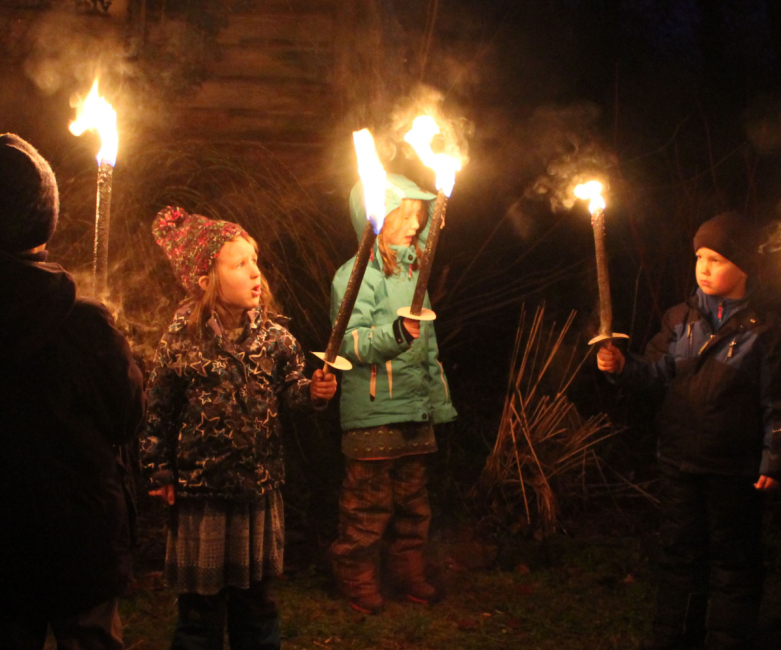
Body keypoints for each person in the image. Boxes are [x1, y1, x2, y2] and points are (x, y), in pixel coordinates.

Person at [142, 206, 337, 650]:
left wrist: (314, 393)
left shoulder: (275, 338)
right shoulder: (181, 336)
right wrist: (159, 469)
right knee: (199, 613)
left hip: (256, 490)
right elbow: (159, 406)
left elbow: (291, 392)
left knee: (256, 606)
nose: (255, 272)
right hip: (201, 497)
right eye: (239, 263)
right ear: (205, 280)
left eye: (255, 260)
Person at [597, 212, 781, 650]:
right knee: (680, 557)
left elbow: (776, 401)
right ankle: (674, 638)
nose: (704, 267)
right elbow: (656, 374)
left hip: (734, 470)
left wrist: (773, 457)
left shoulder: (765, 331)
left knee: (733, 563)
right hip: (680, 462)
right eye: (699, 256)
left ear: (743, 267)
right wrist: (622, 367)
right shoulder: (681, 319)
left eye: (716, 258)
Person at [0, 134, 146, 650]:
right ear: (45, 219)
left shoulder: (83, 323)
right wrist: (114, 341)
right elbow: (127, 415)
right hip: (78, 544)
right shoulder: (83, 326)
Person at [328, 174, 458, 614]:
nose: (413, 222)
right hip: (373, 411)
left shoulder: (413, 272)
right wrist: (396, 334)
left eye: (418, 215)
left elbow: (429, 346)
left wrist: (435, 403)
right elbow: (347, 342)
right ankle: (356, 577)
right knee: (366, 508)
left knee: (412, 505)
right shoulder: (357, 274)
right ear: (376, 219)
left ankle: (407, 573)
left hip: (412, 410)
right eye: (402, 214)